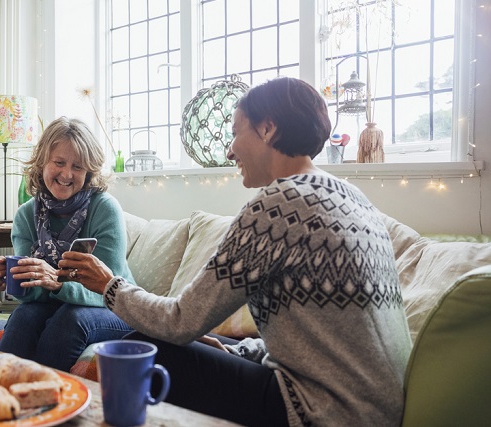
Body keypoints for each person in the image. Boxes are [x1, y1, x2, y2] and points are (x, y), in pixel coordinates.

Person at [59, 77, 412, 427]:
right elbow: (320, 339)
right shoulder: (351, 198)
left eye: (235, 132)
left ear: (267, 129)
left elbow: (180, 321)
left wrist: (109, 285)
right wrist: (237, 350)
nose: (229, 151)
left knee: (149, 349)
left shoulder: (278, 207)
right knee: (206, 343)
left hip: (320, 413)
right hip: (375, 410)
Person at [0, 116, 135, 372]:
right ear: (42, 161)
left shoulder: (105, 209)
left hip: (115, 307)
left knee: (70, 318)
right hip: (58, 306)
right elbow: (33, 297)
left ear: (89, 171)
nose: (67, 174)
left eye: (78, 166)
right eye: (59, 163)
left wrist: (56, 281)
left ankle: (50, 392)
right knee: (23, 315)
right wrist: (15, 281)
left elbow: (109, 289)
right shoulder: (26, 216)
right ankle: (2, 386)